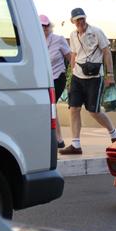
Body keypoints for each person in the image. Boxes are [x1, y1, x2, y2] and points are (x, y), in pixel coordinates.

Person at [59, 8, 116, 155]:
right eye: (77, 20)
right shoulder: (73, 35)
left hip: (94, 78)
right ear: (72, 21)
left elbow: (106, 52)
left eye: (82, 18)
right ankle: (76, 144)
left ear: (85, 18)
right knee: (74, 109)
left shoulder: (96, 32)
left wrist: (110, 74)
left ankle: (113, 133)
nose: (81, 22)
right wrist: (70, 75)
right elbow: (73, 54)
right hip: (77, 77)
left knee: (94, 111)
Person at [40, 14, 71, 149]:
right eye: (41, 26)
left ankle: (58, 138)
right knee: (50, 106)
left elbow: (70, 57)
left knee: (50, 104)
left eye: (46, 25)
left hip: (58, 77)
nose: (44, 28)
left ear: (49, 26)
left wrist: (74, 76)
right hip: (44, 79)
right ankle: (58, 139)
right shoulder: (36, 41)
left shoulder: (59, 40)